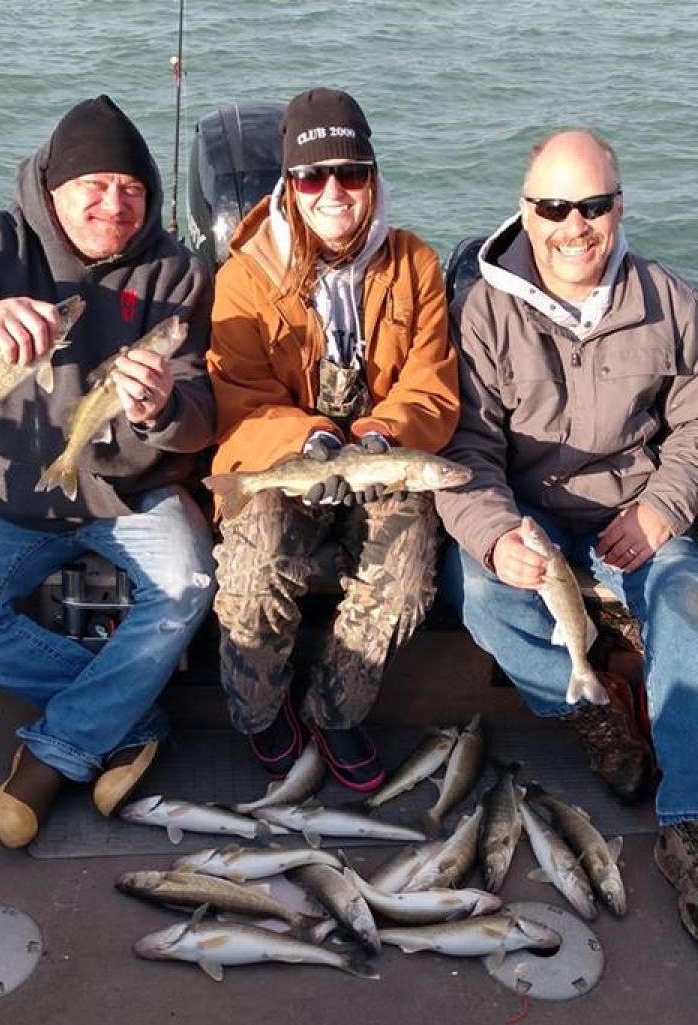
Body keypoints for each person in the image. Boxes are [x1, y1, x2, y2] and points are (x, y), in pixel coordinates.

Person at [0, 96, 216, 848]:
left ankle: (58, 747)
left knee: (187, 585)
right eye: (93, 185)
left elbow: (201, 413)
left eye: (131, 188)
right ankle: (123, 716)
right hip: (18, 491)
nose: (113, 204)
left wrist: (160, 410)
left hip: (134, 491)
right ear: (51, 189)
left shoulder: (180, 272)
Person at [435, 130, 698, 951]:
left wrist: (662, 509)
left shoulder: (670, 301)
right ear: (525, 212)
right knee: (476, 589)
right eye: (553, 207)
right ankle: (587, 708)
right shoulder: (481, 313)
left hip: (632, 512)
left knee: (686, 599)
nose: (574, 226)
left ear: (619, 207)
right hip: (527, 511)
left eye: (593, 205)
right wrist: (496, 535)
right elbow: (465, 447)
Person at [206, 88, 459, 792]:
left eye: (350, 173)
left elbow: (431, 385)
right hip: (283, 462)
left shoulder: (415, 263)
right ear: (289, 184)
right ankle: (260, 714)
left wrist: (382, 438)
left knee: (408, 563)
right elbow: (238, 397)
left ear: (373, 177)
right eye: (312, 176)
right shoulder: (244, 277)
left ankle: (334, 709)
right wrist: (308, 438)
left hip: (380, 462)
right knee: (256, 564)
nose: (333, 192)